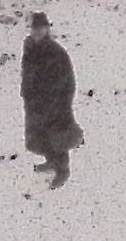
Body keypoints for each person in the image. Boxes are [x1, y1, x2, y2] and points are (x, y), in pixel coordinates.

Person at [21, 13, 83, 188]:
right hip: (36, 100)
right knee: (40, 133)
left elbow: (63, 79)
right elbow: (27, 71)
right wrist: (27, 92)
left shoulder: (55, 51)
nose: (37, 32)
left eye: (41, 28)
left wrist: (55, 101)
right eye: (35, 28)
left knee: (58, 134)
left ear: (47, 29)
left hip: (56, 99)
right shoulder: (29, 46)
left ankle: (63, 170)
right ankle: (51, 161)